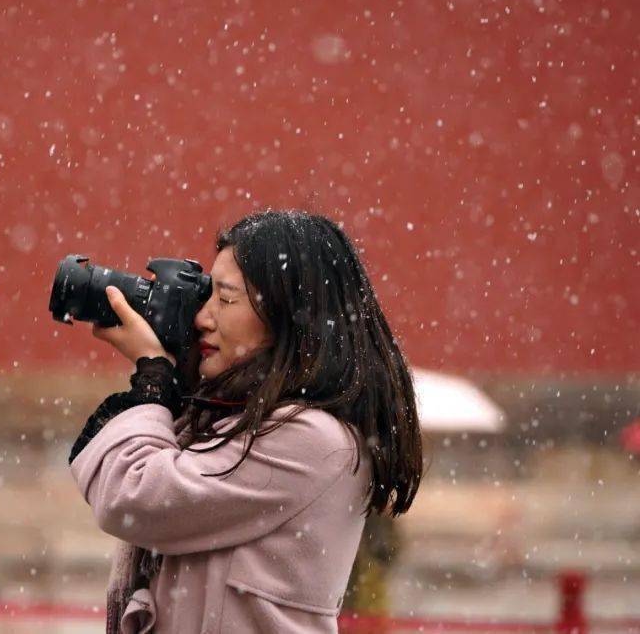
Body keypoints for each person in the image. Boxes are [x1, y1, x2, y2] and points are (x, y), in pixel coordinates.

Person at [69, 210, 423, 634]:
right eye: (206, 295)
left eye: (225, 298)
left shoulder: (310, 438)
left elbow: (134, 499)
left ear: (288, 314)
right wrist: (175, 375)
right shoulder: (231, 419)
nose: (203, 317)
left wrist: (154, 376)